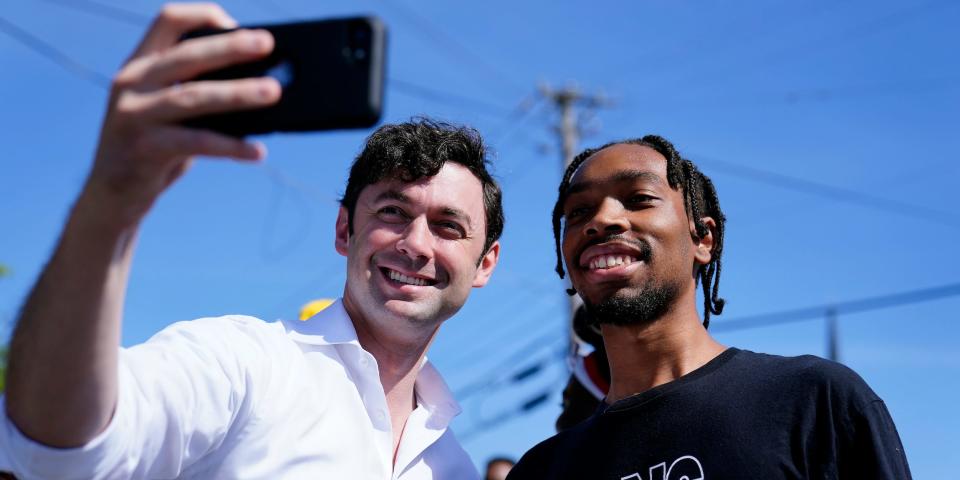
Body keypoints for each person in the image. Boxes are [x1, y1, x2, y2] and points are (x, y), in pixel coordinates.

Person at [0, 4, 503, 479]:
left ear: (484, 264)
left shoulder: (453, 464)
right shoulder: (246, 365)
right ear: (344, 230)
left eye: (448, 226)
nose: (415, 243)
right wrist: (109, 204)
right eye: (392, 212)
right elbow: (57, 448)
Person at [506, 136, 912, 479]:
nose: (602, 219)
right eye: (578, 212)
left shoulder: (815, 402)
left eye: (638, 199)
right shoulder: (542, 471)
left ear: (703, 239)